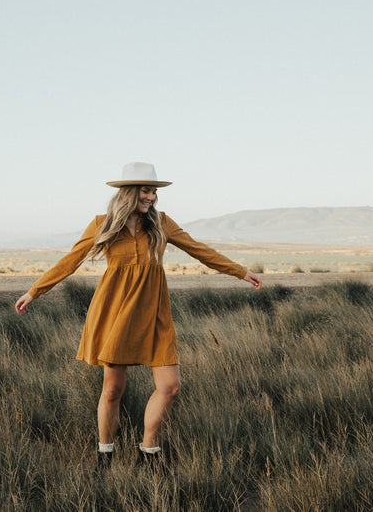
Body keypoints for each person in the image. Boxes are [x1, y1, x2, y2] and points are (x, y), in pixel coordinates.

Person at [14, 162, 262, 468]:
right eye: (146, 191)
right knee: (113, 389)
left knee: (170, 386)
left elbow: (200, 250)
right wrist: (34, 291)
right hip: (114, 313)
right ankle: (105, 456)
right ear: (129, 192)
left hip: (154, 315)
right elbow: (71, 260)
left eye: (154, 192)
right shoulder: (102, 224)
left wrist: (241, 272)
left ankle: (148, 453)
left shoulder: (162, 225)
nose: (152, 198)